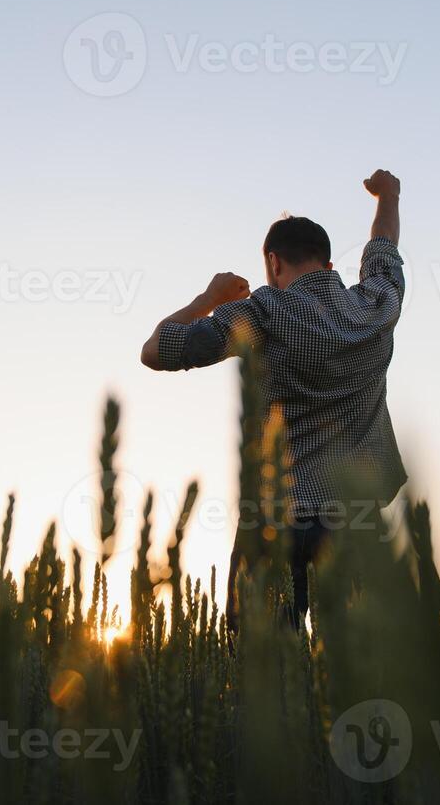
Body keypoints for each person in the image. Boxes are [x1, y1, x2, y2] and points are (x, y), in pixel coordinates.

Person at [140, 169, 408, 627]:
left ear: (273, 263)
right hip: (356, 522)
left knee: (263, 681)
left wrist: (210, 297)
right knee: (355, 684)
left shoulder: (260, 311)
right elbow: (383, 247)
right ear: (327, 265)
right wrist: (388, 194)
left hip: (272, 522)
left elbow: (157, 350)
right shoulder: (377, 303)